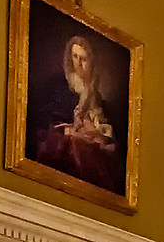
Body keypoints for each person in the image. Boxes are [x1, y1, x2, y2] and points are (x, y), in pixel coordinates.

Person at [30, 33, 121, 190]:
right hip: (63, 136)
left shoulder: (97, 96)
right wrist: (70, 129)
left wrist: (96, 132)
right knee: (79, 149)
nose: (78, 63)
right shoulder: (60, 86)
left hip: (89, 138)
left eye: (83, 59)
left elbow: (106, 129)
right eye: (75, 57)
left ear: (91, 63)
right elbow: (48, 117)